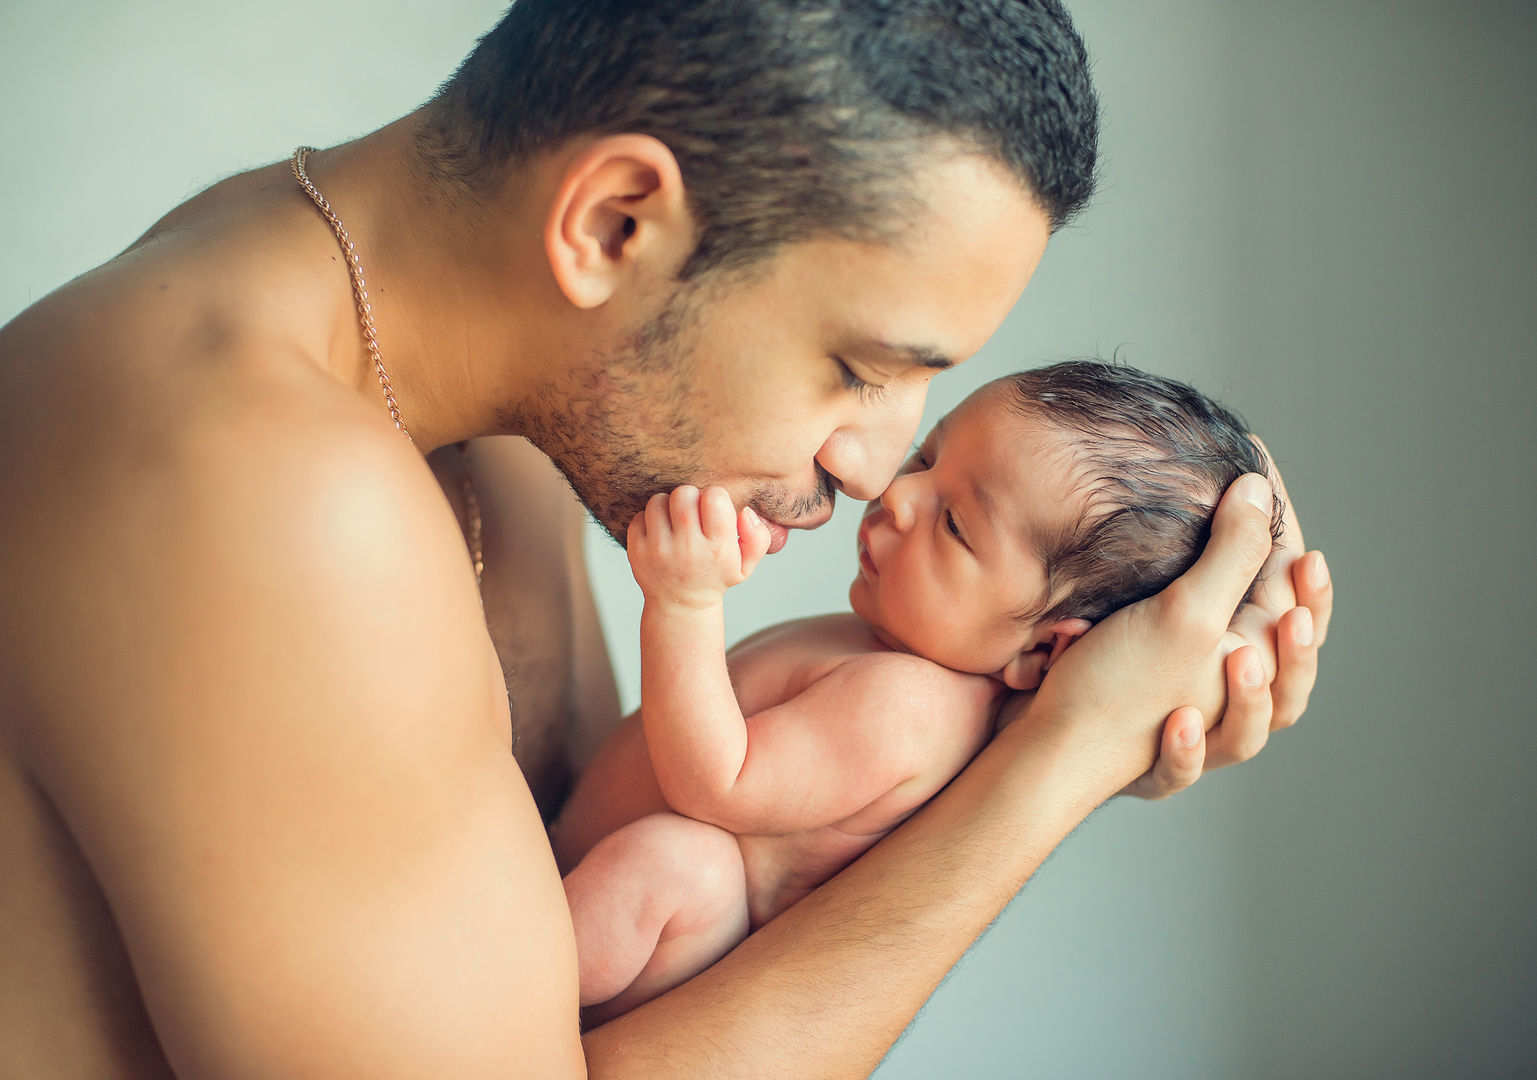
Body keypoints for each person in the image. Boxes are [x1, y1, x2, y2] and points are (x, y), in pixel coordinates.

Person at [0, 2, 1331, 1078]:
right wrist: (1048, 775)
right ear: (614, 224)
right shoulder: (277, 494)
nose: (872, 464)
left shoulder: (483, 406)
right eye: (859, 365)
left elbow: (551, 930)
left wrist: (1034, 725)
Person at [557, 361, 1287, 1021]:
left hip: (664, 951)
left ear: (1043, 648)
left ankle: (502, 995)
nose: (897, 494)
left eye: (957, 525)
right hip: (589, 880)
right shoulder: (900, 652)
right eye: (927, 456)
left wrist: (684, 603)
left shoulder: (909, 705)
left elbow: (715, 784)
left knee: (686, 863)